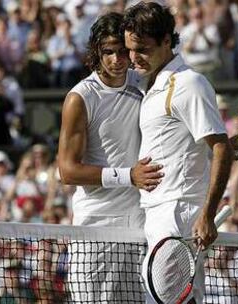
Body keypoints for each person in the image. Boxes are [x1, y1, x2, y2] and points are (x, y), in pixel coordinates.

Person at [123, 2, 234, 303]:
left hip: (179, 213)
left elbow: (220, 148)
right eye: (130, 49)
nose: (134, 58)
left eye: (142, 49)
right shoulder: (154, 85)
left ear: (167, 42)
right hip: (158, 212)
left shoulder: (188, 84)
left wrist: (208, 215)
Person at [57, 12, 163, 302]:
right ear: (96, 53)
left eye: (122, 52)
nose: (117, 60)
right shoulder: (80, 97)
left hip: (138, 226)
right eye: (108, 52)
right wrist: (129, 176)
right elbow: (67, 172)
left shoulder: (145, 85)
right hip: (95, 228)